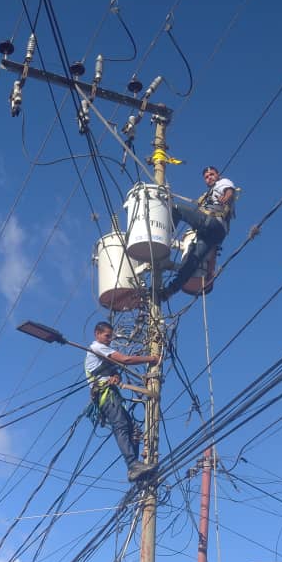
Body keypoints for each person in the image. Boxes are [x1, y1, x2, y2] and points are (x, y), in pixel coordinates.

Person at [85, 321, 159, 483]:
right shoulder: (98, 347)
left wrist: (115, 377)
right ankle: (133, 465)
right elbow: (126, 359)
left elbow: (115, 371)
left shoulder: (101, 354)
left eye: (110, 337)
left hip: (111, 394)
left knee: (134, 431)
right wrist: (152, 359)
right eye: (106, 336)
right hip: (106, 396)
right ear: (97, 334)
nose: (109, 340)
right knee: (121, 427)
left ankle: (136, 469)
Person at [160, 165, 237, 299]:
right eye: (206, 177)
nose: (209, 178)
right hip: (214, 235)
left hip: (212, 223)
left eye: (211, 175)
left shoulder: (221, 183)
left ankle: (162, 239)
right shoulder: (209, 195)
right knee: (191, 262)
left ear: (218, 175)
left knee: (176, 209)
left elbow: (229, 190)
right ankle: (170, 290)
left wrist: (227, 197)